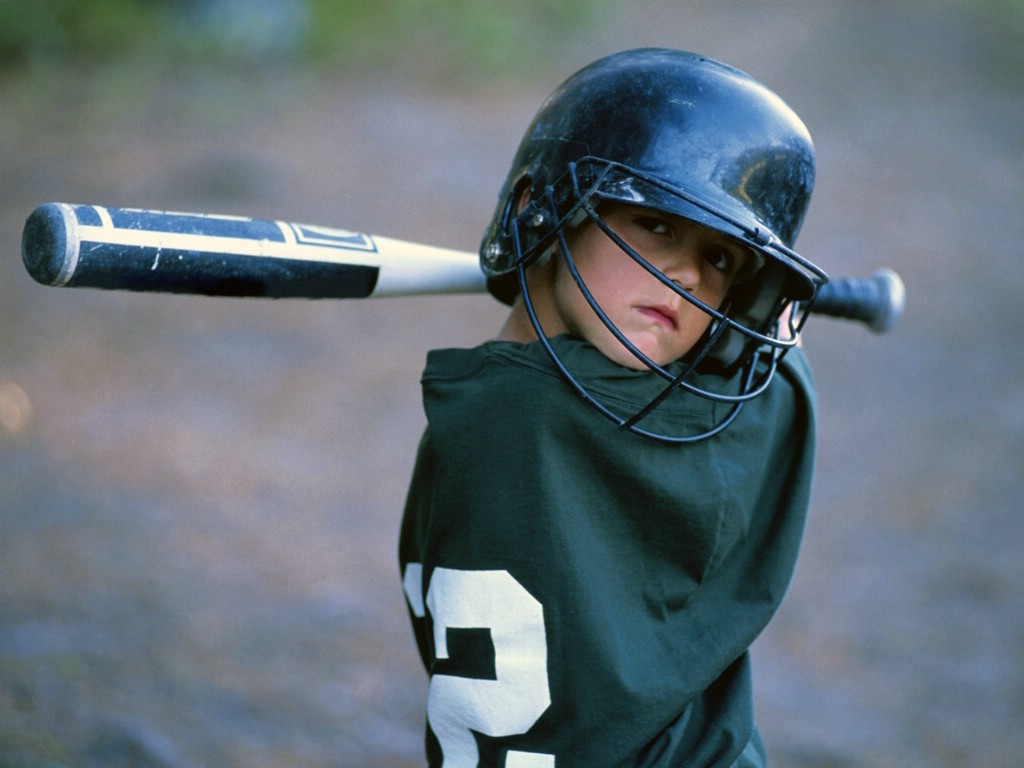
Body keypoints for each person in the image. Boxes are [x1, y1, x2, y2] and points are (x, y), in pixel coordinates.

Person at [398, 48, 829, 767]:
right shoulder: (541, 422)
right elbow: (768, 411)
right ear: (544, 207)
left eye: (722, 260)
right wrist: (775, 341)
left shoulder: (476, 406)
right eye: (658, 223)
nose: (688, 272)